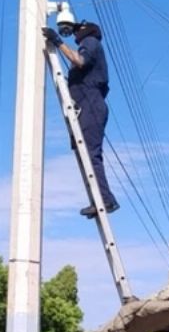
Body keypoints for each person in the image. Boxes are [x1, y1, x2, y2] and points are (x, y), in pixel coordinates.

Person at [43, 20, 118, 219]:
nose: (74, 34)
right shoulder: (90, 44)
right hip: (86, 106)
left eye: (77, 30)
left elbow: (80, 61)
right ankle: (99, 199)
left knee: (91, 154)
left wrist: (57, 41)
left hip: (91, 105)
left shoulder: (91, 42)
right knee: (84, 153)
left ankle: (105, 200)